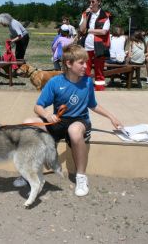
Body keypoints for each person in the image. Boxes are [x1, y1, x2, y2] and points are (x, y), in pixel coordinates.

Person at [13, 44, 123, 196]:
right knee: (27, 124)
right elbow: (38, 106)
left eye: (86, 62)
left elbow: (93, 105)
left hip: (79, 120)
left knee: (74, 131)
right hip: (59, 120)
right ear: (69, 64)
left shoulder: (87, 82)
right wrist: (46, 115)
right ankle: (29, 172)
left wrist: (112, 117)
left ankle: (81, 176)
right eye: (81, 63)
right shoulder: (55, 82)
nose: (86, 66)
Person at [79, 0, 111, 91]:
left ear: (99, 3)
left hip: (99, 47)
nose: (90, 4)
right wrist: (85, 16)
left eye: (93, 2)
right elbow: (81, 29)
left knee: (99, 71)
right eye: (89, 2)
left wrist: (89, 30)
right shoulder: (85, 14)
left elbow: (104, 31)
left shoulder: (105, 15)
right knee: (85, 70)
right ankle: (86, 90)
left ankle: (100, 90)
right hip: (86, 47)